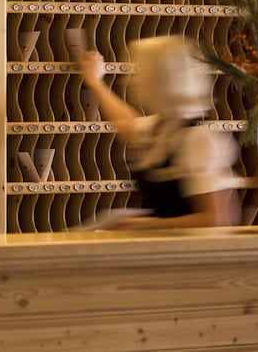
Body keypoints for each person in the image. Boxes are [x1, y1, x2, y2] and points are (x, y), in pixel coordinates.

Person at [78, 35, 242, 229]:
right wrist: (96, 82)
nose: (130, 81)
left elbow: (218, 219)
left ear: (159, 79)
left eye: (140, 73)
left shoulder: (199, 139)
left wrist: (138, 225)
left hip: (188, 248)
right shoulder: (164, 127)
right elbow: (125, 122)